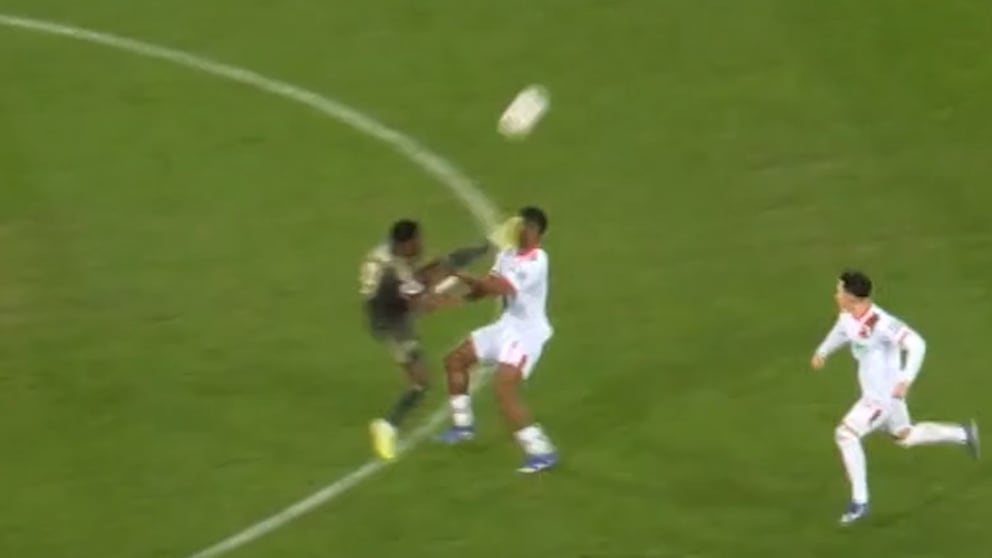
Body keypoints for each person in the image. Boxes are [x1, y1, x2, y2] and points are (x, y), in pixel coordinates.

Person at [811, 270, 980, 525]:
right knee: (904, 436)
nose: (836, 295)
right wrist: (823, 351)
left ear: (851, 297)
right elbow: (842, 331)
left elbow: (917, 344)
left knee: (845, 434)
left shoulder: (881, 323)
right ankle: (963, 433)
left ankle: (860, 502)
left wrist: (906, 379)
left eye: (839, 291)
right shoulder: (848, 315)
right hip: (881, 396)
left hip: (882, 398)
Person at [436, 206, 558, 473]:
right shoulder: (507, 255)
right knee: (455, 360)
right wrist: (457, 297)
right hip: (507, 326)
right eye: (519, 223)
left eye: (525, 225)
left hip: (527, 334)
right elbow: (485, 288)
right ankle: (462, 427)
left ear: (536, 232)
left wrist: (461, 274)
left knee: (503, 389)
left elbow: (499, 287)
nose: (519, 229)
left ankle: (542, 451)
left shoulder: (537, 261)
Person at [361, 219, 488, 461]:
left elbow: (429, 275)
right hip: (390, 321)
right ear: (405, 244)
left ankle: (485, 247)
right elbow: (421, 302)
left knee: (441, 267)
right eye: (417, 241)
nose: (421, 244)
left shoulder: (389, 254)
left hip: (393, 304)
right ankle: (386, 426)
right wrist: (461, 296)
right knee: (420, 382)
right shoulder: (394, 273)